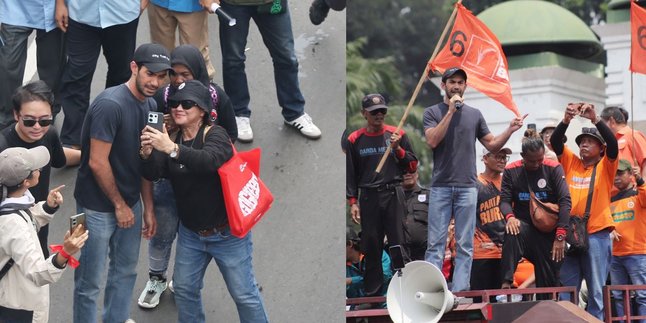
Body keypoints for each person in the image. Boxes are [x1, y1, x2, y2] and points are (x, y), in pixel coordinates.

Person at [140, 80, 268, 322]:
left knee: (244, 294)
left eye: (187, 103)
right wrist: (147, 154)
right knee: (186, 291)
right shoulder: (172, 138)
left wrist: (171, 149)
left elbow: (209, 161)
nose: (178, 108)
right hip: (191, 234)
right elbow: (155, 173)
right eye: (174, 103)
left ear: (202, 110)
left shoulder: (216, 134)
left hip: (227, 234)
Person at [72, 43, 170, 323]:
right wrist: (119, 205)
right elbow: (97, 162)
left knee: (126, 271)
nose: (155, 82)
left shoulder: (151, 106)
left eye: (161, 77)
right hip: (97, 207)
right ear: (134, 68)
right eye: (150, 74)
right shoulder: (109, 105)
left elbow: (144, 159)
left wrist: (147, 207)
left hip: (128, 203)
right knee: (89, 282)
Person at [137, 44, 237, 309]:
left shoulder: (218, 97)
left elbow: (230, 137)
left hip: (206, 184)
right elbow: (153, 143)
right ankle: (157, 279)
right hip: (170, 181)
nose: (179, 81)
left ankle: (184, 282)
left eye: (186, 74)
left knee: (195, 237)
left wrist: (198, 145)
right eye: (174, 74)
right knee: (162, 232)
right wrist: (155, 147)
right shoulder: (160, 98)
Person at [422, 67, 526, 292]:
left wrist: (510, 129)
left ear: (465, 86)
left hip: (468, 187)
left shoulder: (475, 114)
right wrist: (450, 112)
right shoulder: (432, 112)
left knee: (465, 245)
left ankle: (459, 295)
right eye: (452, 82)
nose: (456, 86)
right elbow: (432, 141)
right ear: (444, 85)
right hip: (440, 186)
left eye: (460, 82)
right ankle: (432, 293)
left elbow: (492, 145)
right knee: (435, 245)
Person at [199, 0, 322, 142]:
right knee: (233, 60)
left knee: (286, 57)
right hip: (233, 4)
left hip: (272, 3)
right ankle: (239, 114)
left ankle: (294, 112)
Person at [0, 146, 88, 323]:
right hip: (20, 308)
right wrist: (65, 252)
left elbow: (26, 220)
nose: (40, 169)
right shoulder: (12, 223)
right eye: (36, 168)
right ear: (26, 181)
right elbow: (38, 273)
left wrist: (48, 207)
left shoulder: (9, 205)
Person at [550, 102, 618, 320]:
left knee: (596, 291)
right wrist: (566, 120)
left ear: (601, 149)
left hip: (597, 234)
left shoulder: (606, 166)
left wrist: (595, 118)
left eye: (590, 142)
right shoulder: (571, 162)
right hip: (571, 234)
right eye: (582, 142)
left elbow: (614, 144)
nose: (584, 145)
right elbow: (554, 142)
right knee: (568, 290)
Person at [346, 93, 417, 297]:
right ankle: (373, 295)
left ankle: (405, 291)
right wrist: (353, 202)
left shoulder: (397, 134)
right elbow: (351, 174)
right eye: (374, 112)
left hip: (393, 193)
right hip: (368, 196)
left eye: (382, 111)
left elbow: (412, 165)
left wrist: (398, 150)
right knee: (371, 244)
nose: (379, 115)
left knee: (398, 242)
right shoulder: (354, 139)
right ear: (364, 114)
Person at [0, 81, 81, 257]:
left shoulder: (49, 134)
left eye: (45, 120)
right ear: (16, 115)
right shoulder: (3, 147)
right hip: (9, 228)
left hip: (40, 219)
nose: (38, 127)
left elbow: (60, 158)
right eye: (29, 121)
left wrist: (89, 154)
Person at [54, 0, 144, 149]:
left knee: (121, 76)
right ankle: (73, 138)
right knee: (76, 75)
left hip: (122, 14)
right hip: (81, 14)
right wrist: (60, 3)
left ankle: (113, 132)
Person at [499, 130, 571, 295]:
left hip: (550, 234)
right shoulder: (511, 171)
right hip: (525, 230)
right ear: (523, 156)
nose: (538, 164)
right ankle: (506, 281)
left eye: (541, 159)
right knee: (512, 229)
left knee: (548, 289)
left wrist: (560, 236)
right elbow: (504, 201)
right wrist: (510, 217)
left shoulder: (553, 168)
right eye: (533, 161)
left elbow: (565, 202)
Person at [0, 0, 66, 129]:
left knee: (53, 68)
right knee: (8, 65)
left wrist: (61, 3)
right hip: (13, 8)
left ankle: (47, 117)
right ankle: (7, 120)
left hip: (53, 8)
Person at [609, 159, 646, 322]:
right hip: (615, 255)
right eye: (614, 174)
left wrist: (640, 180)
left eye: (621, 173)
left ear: (631, 174)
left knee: (642, 294)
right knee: (618, 294)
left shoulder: (639, 194)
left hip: (638, 253)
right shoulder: (611, 199)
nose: (617, 178)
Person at [470, 147, 511, 291]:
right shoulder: (474, 183)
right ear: (485, 159)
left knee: (504, 302)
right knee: (481, 300)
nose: (502, 160)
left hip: (506, 252)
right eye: (498, 156)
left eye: (504, 157)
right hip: (481, 251)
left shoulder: (508, 183)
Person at [147, 0, 216, 79]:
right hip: (159, 3)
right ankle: (164, 90)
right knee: (160, 55)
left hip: (191, 4)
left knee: (194, 55)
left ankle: (198, 88)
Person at [601, 106, 646, 189]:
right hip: (614, 195)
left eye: (603, 124)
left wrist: (643, 188)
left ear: (611, 121)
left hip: (632, 193)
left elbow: (645, 161)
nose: (602, 129)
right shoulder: (608, 143)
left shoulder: (632, 135)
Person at [346, 228, 392, 308]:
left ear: (350, 244)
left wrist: (351, 280)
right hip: (357, 310)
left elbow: (382, 277)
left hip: (384, 307)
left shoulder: (378, 255)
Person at [402, 168, 428, 261]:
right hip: (400, 254)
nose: (408, 174)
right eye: (404, 171)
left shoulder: (429, 196)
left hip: (425, 254)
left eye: (411, 171)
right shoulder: (392, 198)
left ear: (417, 174)